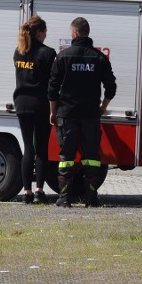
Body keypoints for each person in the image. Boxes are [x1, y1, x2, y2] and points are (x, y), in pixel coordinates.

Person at [48, 17, 116, 208]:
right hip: (91, 115)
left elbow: (52, 88)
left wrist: (53, 112)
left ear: (75, 33)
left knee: (66, 158)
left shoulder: (63, 57)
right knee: (92, 158)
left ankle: (63, 199)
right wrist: (103, 107)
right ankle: (91, 198)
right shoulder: (99, 57)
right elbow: (111, 86)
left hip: (66, 114)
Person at [13, 15, 57, 204]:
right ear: (40, 33)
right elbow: (52, 83)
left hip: (21, 104)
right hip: (40, 105)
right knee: (41, 149)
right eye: (45, 32)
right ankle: (39, 191)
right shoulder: (48, 53)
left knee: (27, 148)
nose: (46, 35)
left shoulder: (18, 52)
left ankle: (26, 193)